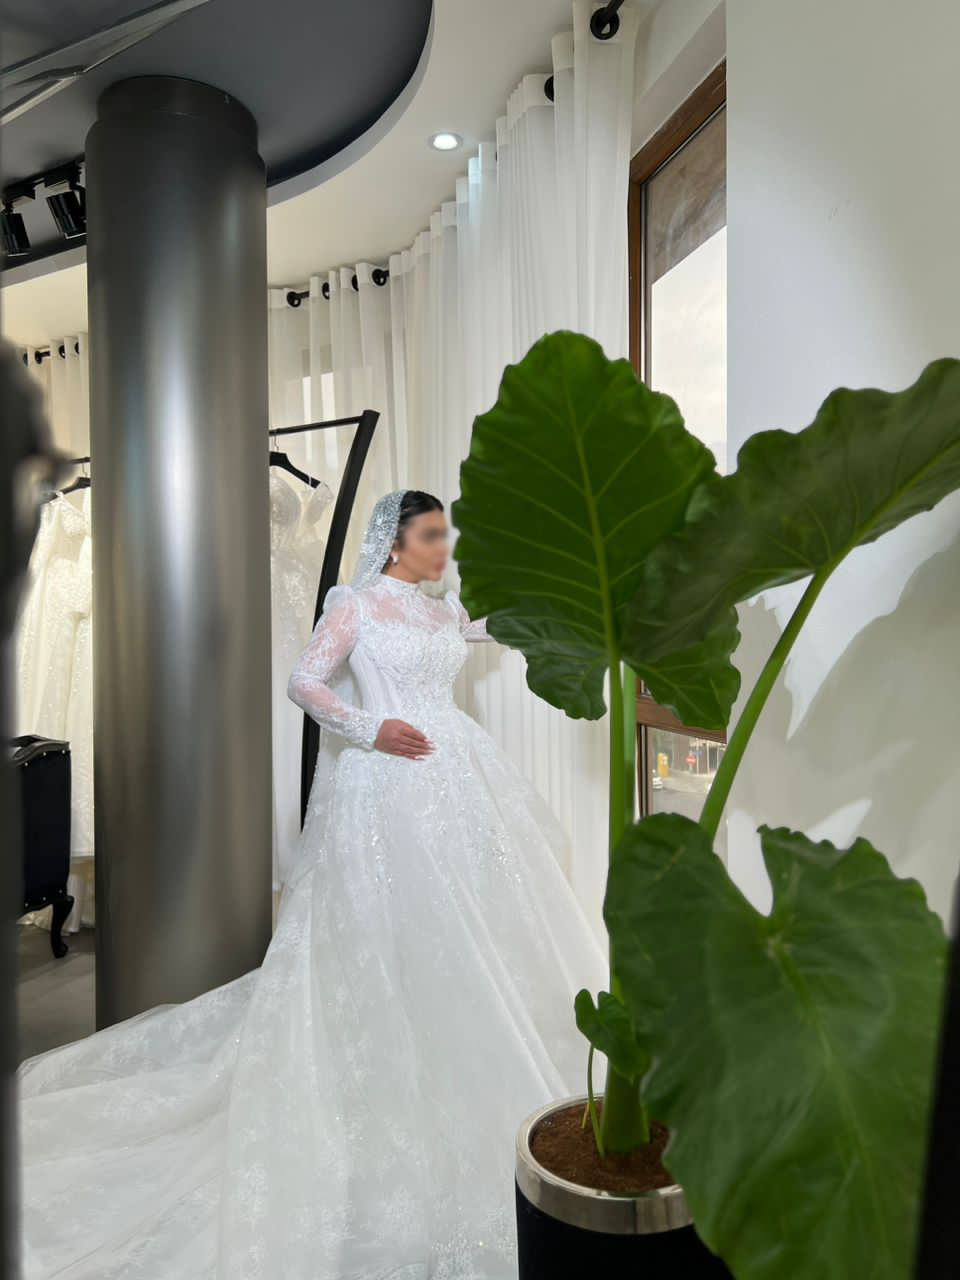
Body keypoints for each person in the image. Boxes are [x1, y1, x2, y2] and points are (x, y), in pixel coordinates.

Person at [18, 488, 607, 1280]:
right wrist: (371, 727)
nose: (443, 549)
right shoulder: (352, 604)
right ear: (394, 541)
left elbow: (486, 627)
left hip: (458, 774)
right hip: (386, 781)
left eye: (445, 536)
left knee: (474, 923)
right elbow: (305, 681)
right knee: (390, 927)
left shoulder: (443, 610)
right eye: (431, 536)